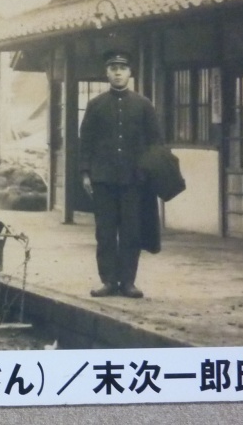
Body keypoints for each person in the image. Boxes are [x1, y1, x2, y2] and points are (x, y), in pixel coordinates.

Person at [79, 50, 162, 299]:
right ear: (106, 73)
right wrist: (85, 173)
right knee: (105, 233)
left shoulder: (143, 105)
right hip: (103, 179)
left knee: (131, 232)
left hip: (133, 180)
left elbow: (155, 143)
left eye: (122, 68)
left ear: (129, 73)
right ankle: (108, 281)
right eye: (113, 68)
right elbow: (85, 142)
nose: (118, 73)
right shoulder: (95, 105)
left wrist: (149, 173)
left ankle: (128, 282)